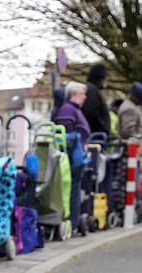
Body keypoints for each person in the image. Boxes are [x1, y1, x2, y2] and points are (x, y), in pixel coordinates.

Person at [53, 81, 91, 231]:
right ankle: (71, 222)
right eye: (82, 94)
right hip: (72, 159)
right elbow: (64, 136)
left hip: (75, 158)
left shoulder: (71, 110)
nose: (85, 97)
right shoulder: (68, 110)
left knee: (74, 189)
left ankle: (72, 221)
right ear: (74, 95)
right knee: (72, 189)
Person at [82, 63, 111, 136]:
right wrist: (103, 128)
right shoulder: (92, 91)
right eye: (105, 79)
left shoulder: (91, 90)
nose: (106, 82)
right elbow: (91, 114)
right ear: (100, 78)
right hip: (95, 136)